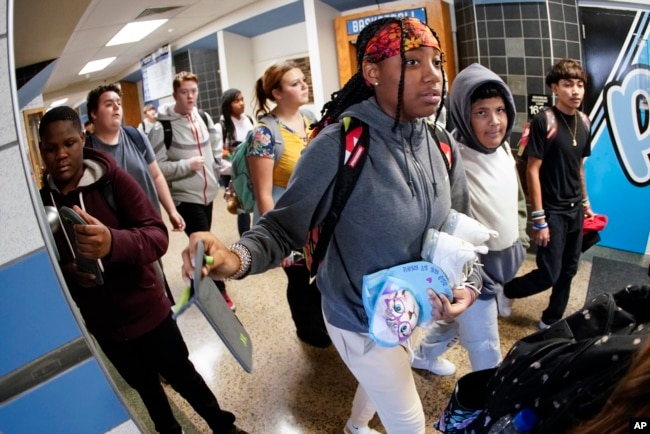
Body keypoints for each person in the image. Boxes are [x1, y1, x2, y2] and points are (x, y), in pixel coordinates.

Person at [181, 17, 478, 434]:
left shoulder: (441, 144)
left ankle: (356, 426)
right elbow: (284, 229)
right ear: (373, 73)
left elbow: (460, 232)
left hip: (409, 309)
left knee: (382, 379)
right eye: (412, 62)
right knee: (408, 421)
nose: (433, 75)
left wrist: (468, 285)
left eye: (436, 61)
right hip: (357, 316)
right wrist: (235, 257)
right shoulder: (340, 145)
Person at [38, 106, 246, 434]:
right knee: (146, 390)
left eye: (69, 143)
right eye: (50, 148)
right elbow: (47, 266)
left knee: (182, 376)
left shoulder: (111, 180)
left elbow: (156, 235)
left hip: (147, 312)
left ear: (82, 139)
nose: (60, 154)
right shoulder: (42, 204)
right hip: (104, 325)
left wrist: (112, 243)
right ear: (41, 151)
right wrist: (68, 271)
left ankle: (224, 427)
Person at [412, 63, 529, 375]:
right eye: (481, 113)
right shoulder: (451, 157)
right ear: (463, 113)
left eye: (500, 110)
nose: (495, 122)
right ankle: (486, 410)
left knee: (452, 325)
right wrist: (468, 275)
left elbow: (515, 197)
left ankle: (423, 355)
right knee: (487, 350)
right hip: (472, 279)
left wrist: (521, 239)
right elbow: (440, 223)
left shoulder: (503, 148)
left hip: (502, 266)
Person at [502, 58, 594, 329]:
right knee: (549, 273)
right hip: (551, 210)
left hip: (575, 209)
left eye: (579, 85)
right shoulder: (545, 120)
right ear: (555, 87)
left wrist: (586, 202)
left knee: (569, 270)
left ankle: (550, 319)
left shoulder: (585, 122)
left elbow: (579, 166)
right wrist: (539, 218)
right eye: (568, 85)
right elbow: (533, 170)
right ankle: (507, 290)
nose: (575, 91)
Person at [246, 62, 330, 348]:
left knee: (319, 275)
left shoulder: (309, 119)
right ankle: (305, 328)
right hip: (289, 224)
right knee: (299, 280)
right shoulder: (264, 134)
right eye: (295, 83)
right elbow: (263, 193)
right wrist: (278, 241)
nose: (304, 85)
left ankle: (320, 321)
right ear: (277, 93)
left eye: (303, 80)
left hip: (316, 220)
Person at [85, 83, 185, 305]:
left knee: (156, 282)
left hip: (149, 228)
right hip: (119, 236)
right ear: (93, 113)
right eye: (109, 105)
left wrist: (171, 210)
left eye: (118, 104)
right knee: (137, 290)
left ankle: (163, 315)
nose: (116, 109)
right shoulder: (89, 153)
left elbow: (156, 176)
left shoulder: (135, 137)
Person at [148, 71, 236, 311]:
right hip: (185, 197)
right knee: (204, 245)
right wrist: (187, 165)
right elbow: (157, 168)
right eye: (184, 92)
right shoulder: (162, 128)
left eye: (193, 91)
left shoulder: (203, 118)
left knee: (204, 240)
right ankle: (219, 294)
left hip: (207, 195)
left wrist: (218, 164)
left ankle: (200, 282)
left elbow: (215, 148)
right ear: (175, 94)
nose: (190, 97)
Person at [219, 88, 254, 236]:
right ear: (228, 105)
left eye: (242, 99)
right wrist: (233, 169)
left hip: (252, 169)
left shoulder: (249, 121)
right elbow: (219, 155)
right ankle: (245, 238)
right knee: (242, 208)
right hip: (234, 172)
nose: (241, 103)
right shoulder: (221, 126)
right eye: (236, 101)